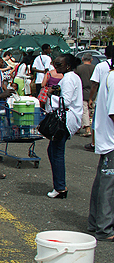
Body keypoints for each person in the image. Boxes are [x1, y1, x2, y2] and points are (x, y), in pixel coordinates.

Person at [43, 54, 84, 199]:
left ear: (67, 66)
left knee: (57, 152)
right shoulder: (70, 77)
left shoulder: (69, 79)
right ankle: (59, 185)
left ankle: (60, 187)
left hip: (66, 119)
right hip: (68, 118)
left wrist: (50, 94)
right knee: (53, 151)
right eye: (55, 64)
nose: (55, 67)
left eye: (59, 64)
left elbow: (65, 101)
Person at [88, 44, 114, 241]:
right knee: (108, 184)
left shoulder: (109, 76)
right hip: (111, 139)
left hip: (107, 137)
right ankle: (104, 228)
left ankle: (96, 221)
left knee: (103, 181)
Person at [76, 54, 95, 137]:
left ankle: (87, 129)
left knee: (84, 110)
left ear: (82, 59)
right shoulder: (95, 68)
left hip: (82, 92)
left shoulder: (78, 68)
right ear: (91, 60)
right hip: (93, 92)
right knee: (92, 111)